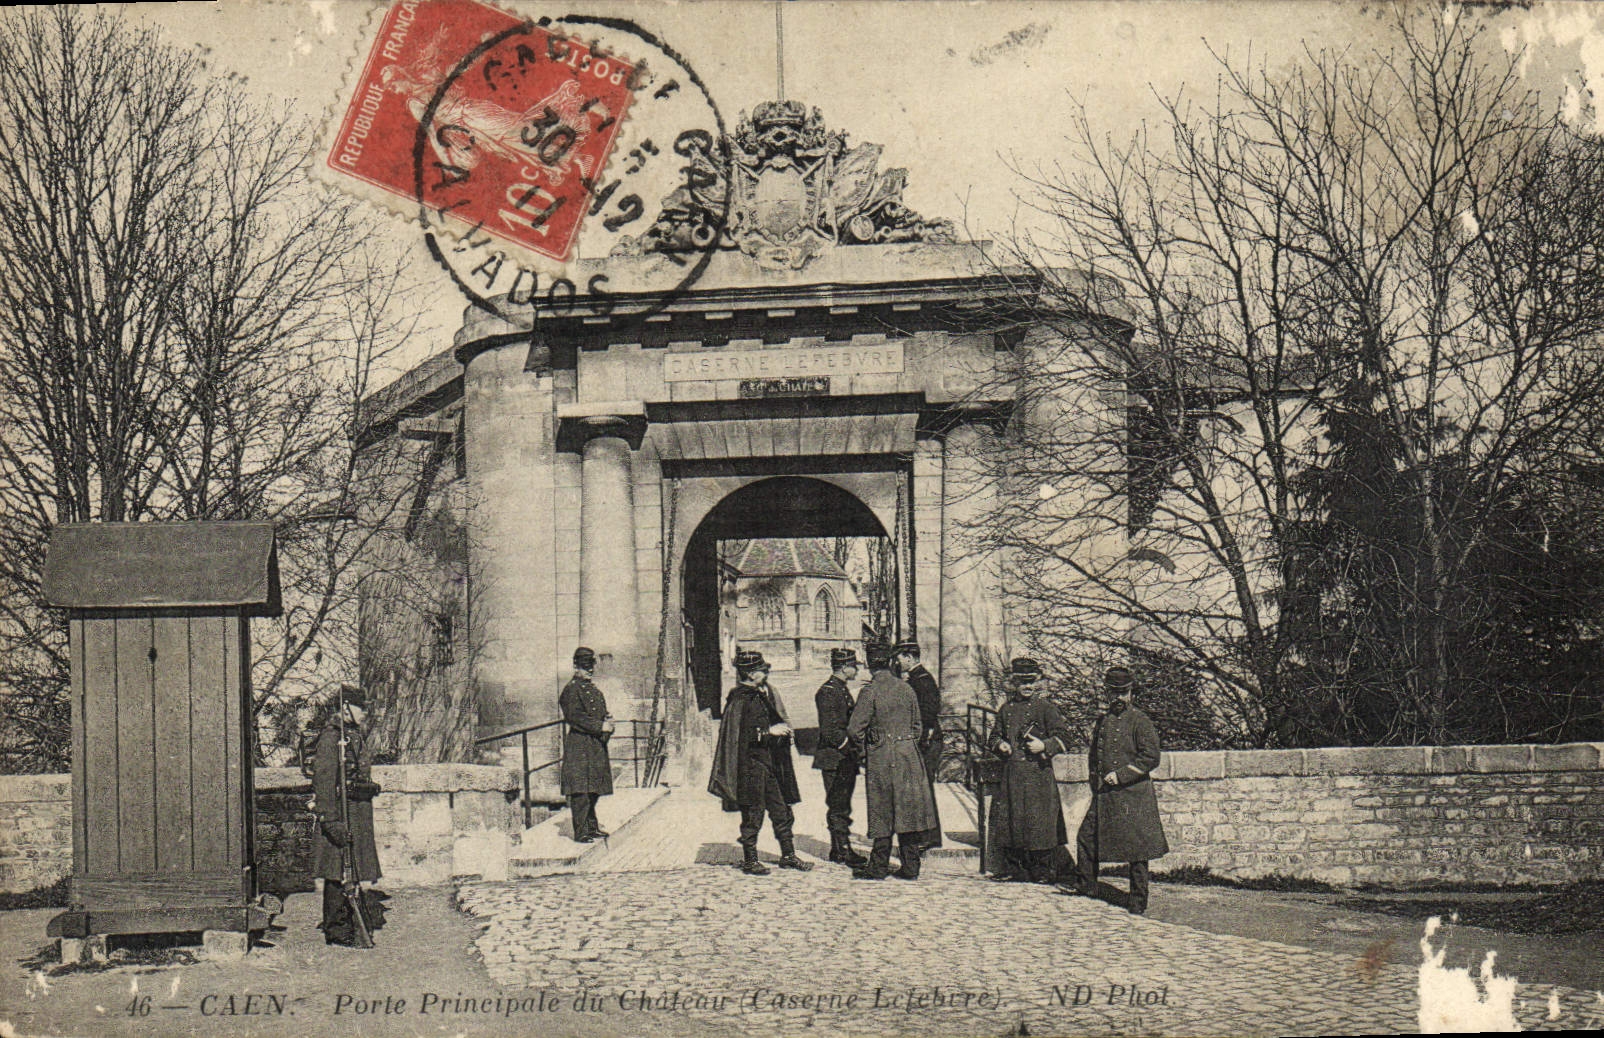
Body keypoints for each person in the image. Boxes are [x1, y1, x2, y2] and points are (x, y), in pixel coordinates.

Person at [708, 649, 814, 875]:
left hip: (770, 764)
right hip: (751, 766)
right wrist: (770, 732)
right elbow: (742, 737)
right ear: (750, 673)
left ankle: (788, 856)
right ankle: (750, 860)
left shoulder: (760, 694)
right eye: (760, 670)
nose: (764, 673)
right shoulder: (739, 698)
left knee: (781, 810)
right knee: (753, 814)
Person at [1076, 666, 1170, 914]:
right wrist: (1095, 784)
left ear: (1131, 693)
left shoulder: (1140, 721)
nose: (1118, 698)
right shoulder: (1103, 721)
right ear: (1107, 693)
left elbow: (1151, 756)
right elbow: (1094, 756)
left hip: (1133, 795)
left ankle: (1138, 901)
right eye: (1113, 693)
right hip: (1105, 795)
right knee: (1085, 837)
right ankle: (1087, 888)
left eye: (1123, 693)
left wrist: (1121, 775)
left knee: (1137, 850)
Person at [846, 642, 939, 880]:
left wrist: (867, 752)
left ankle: (877, 867)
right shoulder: (906, 688)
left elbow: (855, 730)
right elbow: (918, 726)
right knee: (907, 809)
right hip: (909, 755)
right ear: (890, 662)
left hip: (882, 756)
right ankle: (911, 866)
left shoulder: (870, 691)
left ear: (868, 664)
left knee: (882, 809)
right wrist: (906, 745)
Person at [987, 657, 1073, 884]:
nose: (1028, 687)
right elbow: (993, 736)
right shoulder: (1006, 710)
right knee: (1012, 822)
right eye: (1023, 682)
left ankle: (1043, 871)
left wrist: (1044, 745)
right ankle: (1014, 869)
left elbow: (1065, 737)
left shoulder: (1046, 709)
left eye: (1031, 682)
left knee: (1040, 824)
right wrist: (1000, 745)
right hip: (1012, 775)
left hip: (1039, 775)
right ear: (1014, 684)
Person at [312, 685, 382, 946]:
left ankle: (348, 924)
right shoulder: (332, 738)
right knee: (336, 872)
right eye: (360, 707)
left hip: (355, 812)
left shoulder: (352, 735)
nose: (365, 712)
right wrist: (330, 821)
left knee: (349, 870)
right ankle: (337, 930)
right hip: (340, 814)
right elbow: (324, 781)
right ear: (345, 708)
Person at [813, 648, 868, 866]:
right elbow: (830, 731)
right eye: (854, 666)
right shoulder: (827, 692)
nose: (856, 669)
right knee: (838, 803)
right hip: (834, 758)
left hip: (842, 758)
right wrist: (850, 749)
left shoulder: (840, 689)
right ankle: (843, 850)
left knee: (842, 802)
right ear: (844, 667)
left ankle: (838, 849)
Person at [559, 647, 614, 843]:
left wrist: (608, 723)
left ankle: (592, 827)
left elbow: (602, 712)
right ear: (575, 666)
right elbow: (575, 717)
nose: (589, 670)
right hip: (579, 745)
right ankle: (581, 831)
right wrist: (601, 726)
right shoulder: (571, 690)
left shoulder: (593, 690)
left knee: (594, 789)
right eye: (584, 666)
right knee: (580, 791)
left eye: (590, 666)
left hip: (594, 744)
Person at [894, 640, 943, 850]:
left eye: (900, 658)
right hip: (924, 741)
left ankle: (929, 837)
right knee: (921, 789)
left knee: (924, 789)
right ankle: (925, 835)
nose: (897, 661)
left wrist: (920, 743)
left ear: (909, 658)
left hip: (927, 743)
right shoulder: (915, 678)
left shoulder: (921, 680)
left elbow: (928, 715)